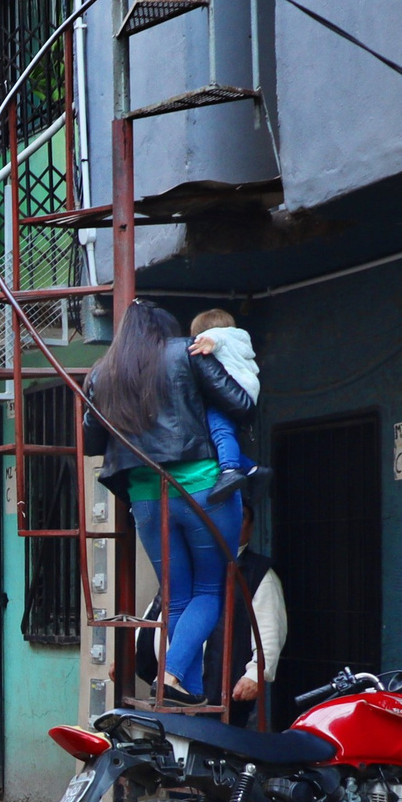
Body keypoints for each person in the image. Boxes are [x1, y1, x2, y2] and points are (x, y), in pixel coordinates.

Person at [82, 299, 255, 702]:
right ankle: (173, 674)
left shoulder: (103, 373)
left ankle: (186, 691)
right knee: (210, 590)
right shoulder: (185, 352)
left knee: (176, 596)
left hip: (144, 497)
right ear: (165, 330)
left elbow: (91, 441)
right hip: (202, 488)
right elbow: (241, 404)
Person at [187, 307, 265, 498]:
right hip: (245, 392)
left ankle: (229, 470)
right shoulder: (239, 340)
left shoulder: (218, 337)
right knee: (220, 439)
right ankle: (253, 469)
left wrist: (208, 341)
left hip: (227, 393)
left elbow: (217, 338)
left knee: (220, 431)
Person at [225, 501, 287, 727]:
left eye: (240, 517)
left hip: (230, 690)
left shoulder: (260, 574)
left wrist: (255, 674)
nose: (231, 521)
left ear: (250, 528)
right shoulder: (198, 565)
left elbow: (269, 631)